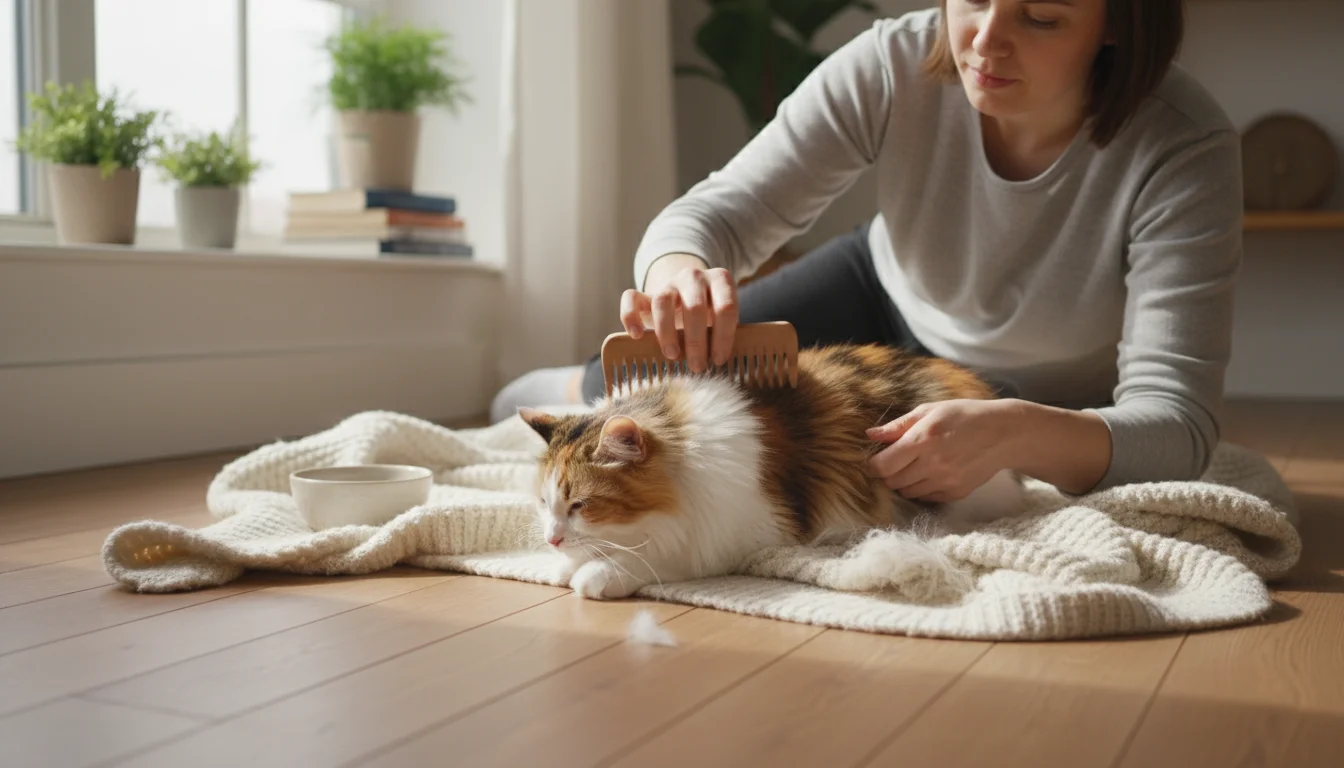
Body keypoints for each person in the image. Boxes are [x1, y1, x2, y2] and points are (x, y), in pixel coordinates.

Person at [491, 0, 1242, 501]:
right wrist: (677, 271)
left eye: (1041, 15)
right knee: (617, 384)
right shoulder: (894, 63)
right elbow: (722, 209)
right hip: (881, 288)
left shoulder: (1184, 148)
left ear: (1118, 23)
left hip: (1042, 387)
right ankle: (554, 384)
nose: (985, 38)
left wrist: (1014, 429)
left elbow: (1177, 427)